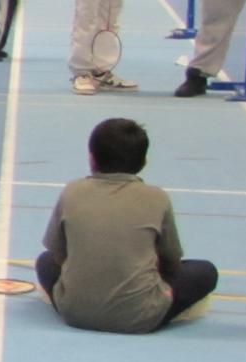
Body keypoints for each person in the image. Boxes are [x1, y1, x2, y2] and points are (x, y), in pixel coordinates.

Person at [36, 118, 217, 331]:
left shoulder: (71, 191)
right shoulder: (157, 197)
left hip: (74, 312)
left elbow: (58, 253)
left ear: (92, 158)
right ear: (143, 161)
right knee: (205, 271)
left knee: (45, 261)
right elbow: (171, 259)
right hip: (140, 316)